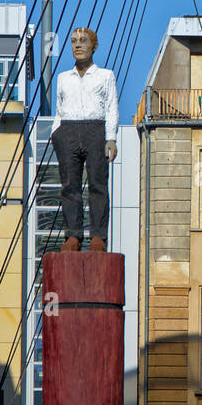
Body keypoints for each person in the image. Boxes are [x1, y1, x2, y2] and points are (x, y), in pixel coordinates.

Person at [51, 27, 119, 252]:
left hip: (95, 128)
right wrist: (56, 134)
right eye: (73, 41)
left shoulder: (105, 76)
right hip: (68, 130)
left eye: (82, 41)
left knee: (98, 184)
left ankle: (98, 236)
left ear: (93, 46)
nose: (77, 45)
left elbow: (111, 108)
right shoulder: (63, 78)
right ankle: (73, 236)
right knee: (70, 186)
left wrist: (111, 138)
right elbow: (59, 109)